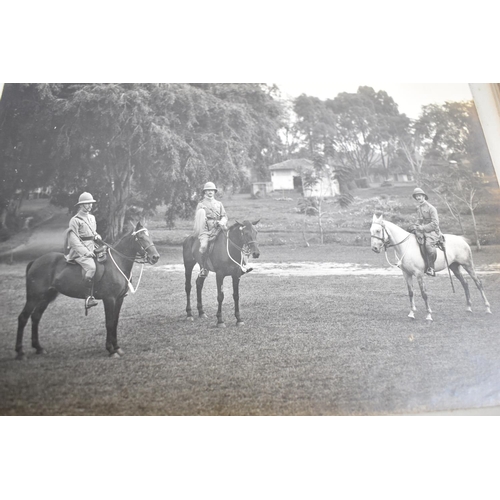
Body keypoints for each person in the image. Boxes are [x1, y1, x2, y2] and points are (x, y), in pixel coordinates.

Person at [66, 192, 102, 309]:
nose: (90, 206)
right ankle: (88, 297)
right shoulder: (75, 220)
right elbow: (73, 241)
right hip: (79, 251)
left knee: (107, 259)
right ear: (81, 205)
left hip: (93, 247)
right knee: (91, 267)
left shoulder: (92, 217)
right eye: (87, 203)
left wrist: (97, 236)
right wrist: (86, 252)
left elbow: (92, 232)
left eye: (91, 203)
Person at [195, 182, 228, 277]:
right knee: (204, 246)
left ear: (214, 192)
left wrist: (222, 221)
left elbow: (224, 215)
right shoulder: (201, 205)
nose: (210, 192)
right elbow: (198, 219)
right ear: (205, 192)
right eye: (208, 190)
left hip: (219, 228)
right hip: (206, 230)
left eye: (212, 190)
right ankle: (204, 268)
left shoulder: (219, 204)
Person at [412, 187, 442, 277]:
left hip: (433, 231)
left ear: (424, 196)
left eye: (420, 196)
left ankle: (431, 268)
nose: (418, 198)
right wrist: (415, 225)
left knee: (428, 245)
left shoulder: (431, 208)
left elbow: (435, 223)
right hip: (422, 230)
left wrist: (422, 228)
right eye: (416, 196)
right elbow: (419, 220)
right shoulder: (419, 208)